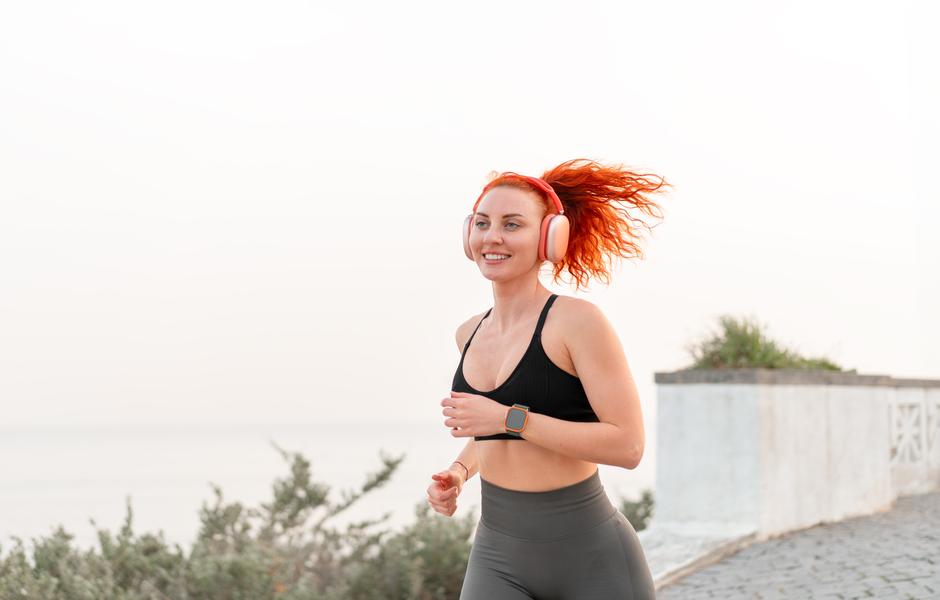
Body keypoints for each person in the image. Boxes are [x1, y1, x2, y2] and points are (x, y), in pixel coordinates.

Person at [425, 158, 671, 599]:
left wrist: (509, 419)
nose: (492, 236)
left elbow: (628, 446)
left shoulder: (577, 322)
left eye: (512, 224)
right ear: (468, 235)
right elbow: (492, 428)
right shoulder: (468, 333)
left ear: (549, 238)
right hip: (498, 555)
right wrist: (461, 470)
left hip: (592, 558)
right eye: (482, 223)